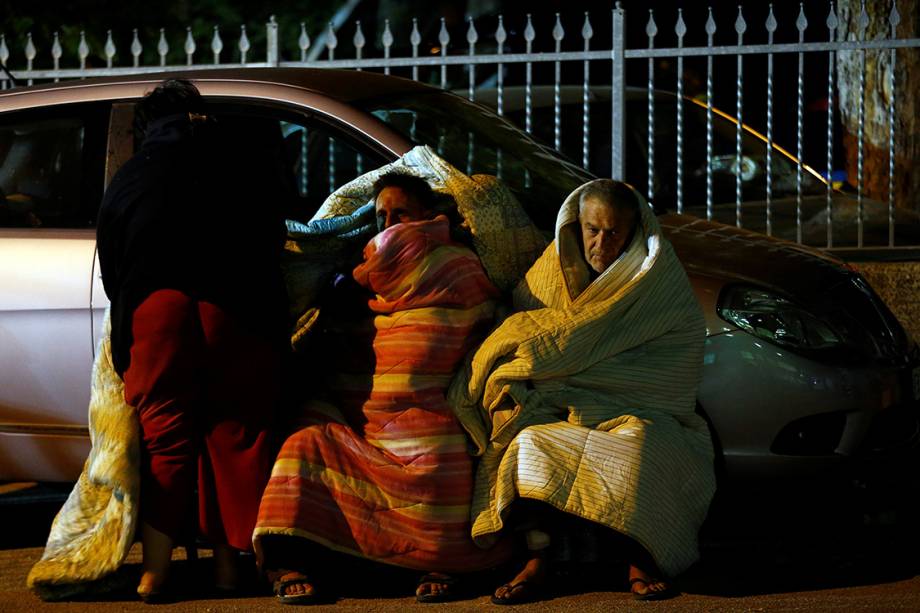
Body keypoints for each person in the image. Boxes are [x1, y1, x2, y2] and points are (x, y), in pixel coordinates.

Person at [448, 178, 716, 604]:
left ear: (634, 231)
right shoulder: (550, 269)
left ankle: (639, 557)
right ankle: (539, 558)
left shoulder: (658, 283)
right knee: (527, 444)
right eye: (593, 230)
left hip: (639, 409)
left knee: (644, 446)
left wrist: (568, 366)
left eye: (613, 233)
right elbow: (526, 325)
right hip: (557, 407)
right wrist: (546, 371)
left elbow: (672, 360)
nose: (601, 243)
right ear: (577, 224)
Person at [255, 171, 509, 604]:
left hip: (425, 415)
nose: (390, 223)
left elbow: (480, 320)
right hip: (362, 418)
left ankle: (435, 560)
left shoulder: (456, 265)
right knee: (304, 440)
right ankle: (290, 560)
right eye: (381, 216)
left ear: (428, 216)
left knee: (441, 457)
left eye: (401, 213)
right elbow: (339, 339)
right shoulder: (356, 275)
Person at [96, 79, 289, 601]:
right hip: (235, 311)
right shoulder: (240, 165)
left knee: (166, 439)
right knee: (233, 435)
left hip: (157, 312)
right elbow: (271, 244)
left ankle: (154, 572)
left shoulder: (130, 177)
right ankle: (231, 568)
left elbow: (113, 271)